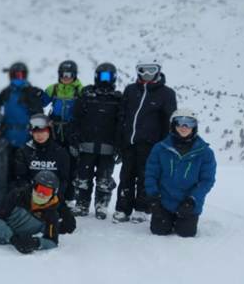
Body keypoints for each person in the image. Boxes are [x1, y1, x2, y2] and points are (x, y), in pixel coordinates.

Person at [114, 61, 177, 223]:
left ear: (158, 71)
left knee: (145, 177)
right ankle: (122, 208)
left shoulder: (166, 93)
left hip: (151, 145)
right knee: (126, 176)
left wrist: (164, 145)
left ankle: (141, 209)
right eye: (143, 70)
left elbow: (169, 122)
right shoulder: (130, 90)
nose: (147, 74)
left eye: (152, 70)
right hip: (129, 142)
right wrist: (120, 139)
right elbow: (122, 116)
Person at [144, 109, 216, 238]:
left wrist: (192, 200)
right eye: (179, 123)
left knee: (185, 233)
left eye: (189, 123)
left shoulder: (205, 152)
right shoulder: (160, 148)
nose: (184, 127)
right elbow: (151, 174)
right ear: (173, 125)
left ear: (194, 127)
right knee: (159, 231)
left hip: (188, 203)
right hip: (164, 202)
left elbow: (207, 180)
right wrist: (154, 197)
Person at [71, 63, 123, 218]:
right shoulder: (86, 95)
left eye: (108, 76)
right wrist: (74, 140)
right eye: (102, 76)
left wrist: (120, 146)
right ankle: (81, 204)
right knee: (82, 178)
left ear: (114, 78)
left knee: (104, 179)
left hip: (108, 147)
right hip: (86, 145)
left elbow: (122, 123)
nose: (104, 80)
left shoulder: (118, 99)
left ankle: (101, 205)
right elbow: (76, 119)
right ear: (96, 76)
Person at [42, 60, 84, 201]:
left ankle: (69, 197)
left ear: (74, 75)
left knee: (72, 164)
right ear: (59, 74)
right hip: (54, 130)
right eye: (63, 74)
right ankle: (51, 192)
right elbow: (40, 102)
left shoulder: (80, 90)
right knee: (52, 162)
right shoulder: (52, 89)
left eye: (69, 74)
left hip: (72, 132)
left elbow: (86, 110)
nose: (66, 77)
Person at [12, 114, 70, 199]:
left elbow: (64, 179)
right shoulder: (24, 151)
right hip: (29, 197)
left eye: (43, 131)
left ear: (49, 131)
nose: (39, 135)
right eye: (36, 132)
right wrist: (32, 194)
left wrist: (54, 195)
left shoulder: (60, 152)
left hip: (53, 198)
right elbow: (21, 178)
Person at [0, 61, 44, 148]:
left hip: (26, 137)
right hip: (8, 137)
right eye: (15, 75)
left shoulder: (31, 92)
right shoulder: (6, 92)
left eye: (21, 75)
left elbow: (39, 116)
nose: (18, 78)